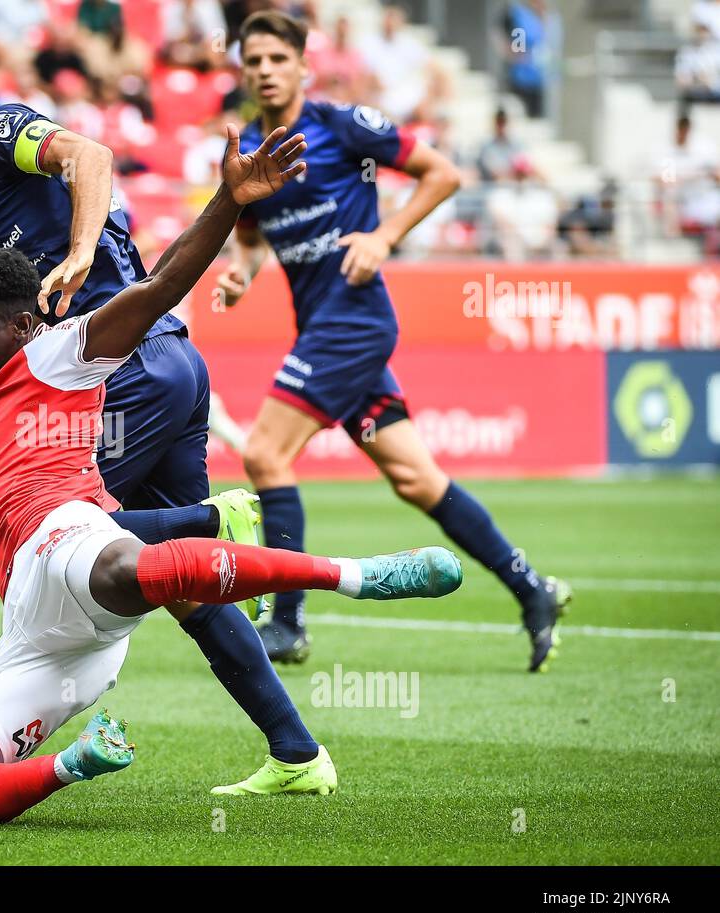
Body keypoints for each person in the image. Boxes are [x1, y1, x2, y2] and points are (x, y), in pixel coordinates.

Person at [0, 132, 462, 821]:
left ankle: (349, 574)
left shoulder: (60, 355)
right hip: (44, 639)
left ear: (24, 326)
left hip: (59, 542)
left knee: (118, 565)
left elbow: (162, 283)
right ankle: (84, 757)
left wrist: (230, 200)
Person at [0, 21, 359, 780]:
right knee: (177, 586)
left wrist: (83, 250)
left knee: (68, 535)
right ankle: (297, 753)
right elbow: (18, 325)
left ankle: (215, 520)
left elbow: (91, 157)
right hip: (164, 361)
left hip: (125, 372)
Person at [214, 11, 572, 672]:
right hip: (326, 330)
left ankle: (287, 623)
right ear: (243, 69)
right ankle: (533, 588)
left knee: (265, 453)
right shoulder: (248, 156)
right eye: (253, 60)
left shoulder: (340, 126)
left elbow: (442, 174)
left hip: (353, 321)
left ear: (301, 65)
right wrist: (243, 275)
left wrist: (384, 237)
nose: (265, 70)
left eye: (276, 59)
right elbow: (254, 232)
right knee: (415, 478)